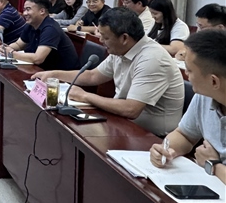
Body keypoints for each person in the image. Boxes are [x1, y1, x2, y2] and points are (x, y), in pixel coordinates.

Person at [36, 7, 184, 136]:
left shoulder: (152, 59)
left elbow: (131, 109)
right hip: (123, 122)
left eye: (105, 37)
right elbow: (92, 76)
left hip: (152, 137)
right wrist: (53, 74)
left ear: (124, 38)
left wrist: (85, 96)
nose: (100, 40)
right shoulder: (121, 49)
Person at [149, 30, 226, 185]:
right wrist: (166, 149)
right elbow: (185, 135)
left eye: (189, 70)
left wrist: (214, 166)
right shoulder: (205, 95)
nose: (186, 74)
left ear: (213, 81)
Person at [0, 0, 79, 71]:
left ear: (42, 11)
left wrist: (11, 54)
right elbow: (18, 44)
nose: (24, 13)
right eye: (24, 10)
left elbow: (38, 58)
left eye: (28, 9)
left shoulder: (51, 29)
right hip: (43, 70)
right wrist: (6, 48)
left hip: (62, 75)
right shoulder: (30, 25)